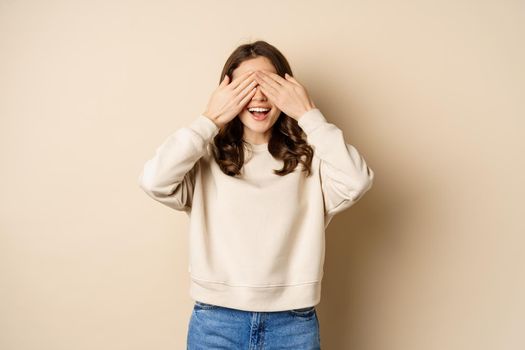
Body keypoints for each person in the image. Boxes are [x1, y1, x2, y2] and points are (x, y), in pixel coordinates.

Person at [138, 40, 374, 349]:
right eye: (247, 86)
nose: (259, 96)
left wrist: (308, 113)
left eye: (269, 85)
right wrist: (209, 118)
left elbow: (357, 180)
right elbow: (154, 180)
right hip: (216, 322)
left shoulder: (313, 158)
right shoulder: (203, 156)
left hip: (293, 324)